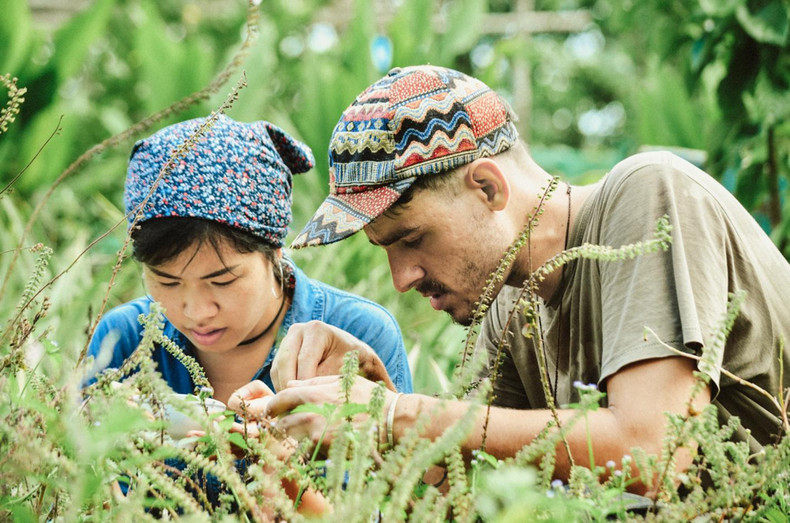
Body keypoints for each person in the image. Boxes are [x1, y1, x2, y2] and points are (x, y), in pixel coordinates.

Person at [230, 64, 790, 494]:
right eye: (385, 251)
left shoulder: (648, 195)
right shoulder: (506, 305)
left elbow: (650, 453)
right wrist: (369, 400)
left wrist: (399, 417)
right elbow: (471, 495)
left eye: (411, 238)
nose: (402, 278)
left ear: (488, 188)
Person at [87, 114, 412, 511]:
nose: (195, 311)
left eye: (222, 281)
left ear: (274, 250)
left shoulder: (354, 336)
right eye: (166, 282)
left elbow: (394, 507)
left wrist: (281, 473)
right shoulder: (124, 341)